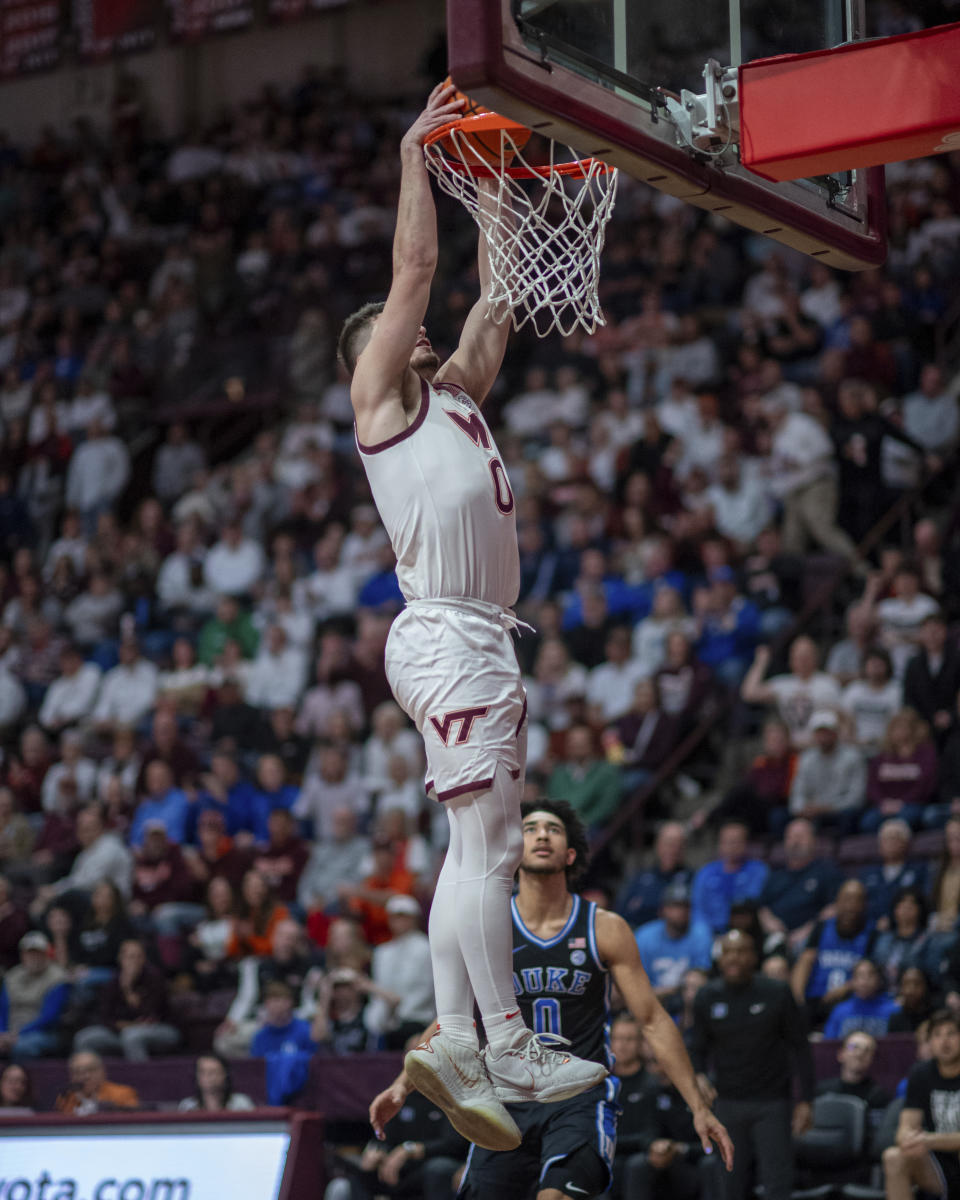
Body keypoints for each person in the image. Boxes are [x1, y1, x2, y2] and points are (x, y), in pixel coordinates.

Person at [340, 82, 606, 1148]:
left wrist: (494, 183)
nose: (421, 328)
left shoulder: (453, 395)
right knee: (485, 849)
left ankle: (458, 1035)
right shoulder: (383, 400)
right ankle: (500, 1034)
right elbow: (415, 272)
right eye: (400, 330)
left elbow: (496, 301)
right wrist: (418, 155)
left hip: (481, 637)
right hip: (446, 630)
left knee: (482, 840)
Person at [368, 799, 733, 1200]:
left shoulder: (604, 927)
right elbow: (452, 1019)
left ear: (570, 853)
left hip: (579, 1097)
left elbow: (653, 1019)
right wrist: (403, 1085)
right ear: (513, 849)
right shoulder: (489, 927)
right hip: (506, 1099)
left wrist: (697, 1105)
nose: (542, 834)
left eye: (553, 829)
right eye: (530, 828)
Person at [691, 929, 815, 1200]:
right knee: (729, 1183)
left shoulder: (777, 992)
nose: (734, 957)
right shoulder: (706, 997)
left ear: (754, 956)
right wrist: (699, 1075)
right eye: (728, 952)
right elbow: (696, 1048)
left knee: (777, 1184)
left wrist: (806, 1099)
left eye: (741, 951)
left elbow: (801, 1048)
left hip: (772, 1103)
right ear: (720, 958)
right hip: (727, 1104)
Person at [884, 1008, 960, 1199]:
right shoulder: (920, 1074)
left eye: (951, 1033)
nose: (944, 1041)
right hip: (937, 1162)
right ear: (930, 1043)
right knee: (894, 1157)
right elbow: (905, 1128)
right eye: (937, 1035)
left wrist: (928, 1139)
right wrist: (908, 1140)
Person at [791, 879, 877, 1025]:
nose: (851, 905)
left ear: (865, 905)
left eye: (857, 900)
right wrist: (798, 1000)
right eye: (846, 899)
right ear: (837, 902)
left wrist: (844, 989)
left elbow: (871, 973)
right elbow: (805, 962)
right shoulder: (822, 927)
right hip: (816, 999)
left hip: (851, 1003)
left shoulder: (873, 934)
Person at [634, 880, 713, 1004]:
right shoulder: (645, 936)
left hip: (686, 1002)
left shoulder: (701, 933)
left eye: (685, 906)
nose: (681, 912)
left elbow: (700, 977)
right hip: (651, 1001)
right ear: (662, 910)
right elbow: (636, 982)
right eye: (675, 906)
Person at [691, 821, 769, 935]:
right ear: (719, 844)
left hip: (746, 928)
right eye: (727, 842)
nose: (732, 846)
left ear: (746, 843)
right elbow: (698, 909)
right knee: (699, 932)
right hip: (711, 932)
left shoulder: (758, 869)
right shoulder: (706, 872)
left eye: (736, 841)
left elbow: (753, 901)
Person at [822, 958, 900, 1040]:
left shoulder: (893, 1010)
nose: (864, 982)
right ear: (852, 981)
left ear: (879, 979)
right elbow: (829, 1045)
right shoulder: (840, 1011)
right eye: (859, 976)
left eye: (870, 975)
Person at [816, 1030, 891, 1111]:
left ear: (872, 1058)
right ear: (840, 1054)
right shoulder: (822, 1091)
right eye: (854, 1047)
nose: (859, 1054)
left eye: (867, 1050)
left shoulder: (878, 1096)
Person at [55, 1049, 140, 1114]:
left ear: (103, 1072)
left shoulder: (123, 1094)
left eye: (91, 1070)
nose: (86, 1076)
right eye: (78, 1072)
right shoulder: (66, 1099)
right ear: (71, 1076)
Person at [178, 1052, 256, 1111]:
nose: (207, 1076)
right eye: (202, 1071)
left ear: (225, 1075)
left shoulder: (241, 1104)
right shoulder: (187, 1107)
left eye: (213, 1072)